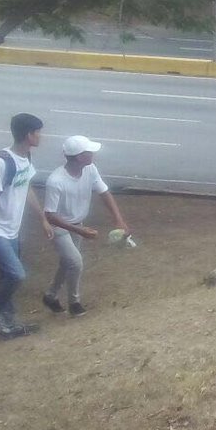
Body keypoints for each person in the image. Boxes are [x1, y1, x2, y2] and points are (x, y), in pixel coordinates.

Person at [0, 113, 53, 339]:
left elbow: (26, 188)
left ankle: (8, 322)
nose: (40, 136)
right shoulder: (1, 162)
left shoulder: (26, 158)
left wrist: (43, 218)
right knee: (17, 274)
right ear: (29, 135)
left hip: (12, 229)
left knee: (6, 275)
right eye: (38, 132)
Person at [41, 135, 132, 317]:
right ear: (79, 157)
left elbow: (104, 192)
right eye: (88, 152)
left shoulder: (90, 169)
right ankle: (74, 302)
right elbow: (50, 215)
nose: (93, 154)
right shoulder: (56, 180)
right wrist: (79, 230)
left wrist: (118, 219)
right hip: (61, 228)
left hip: (76, 224)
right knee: (75, 263)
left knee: (67, 263)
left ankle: (50, 296)